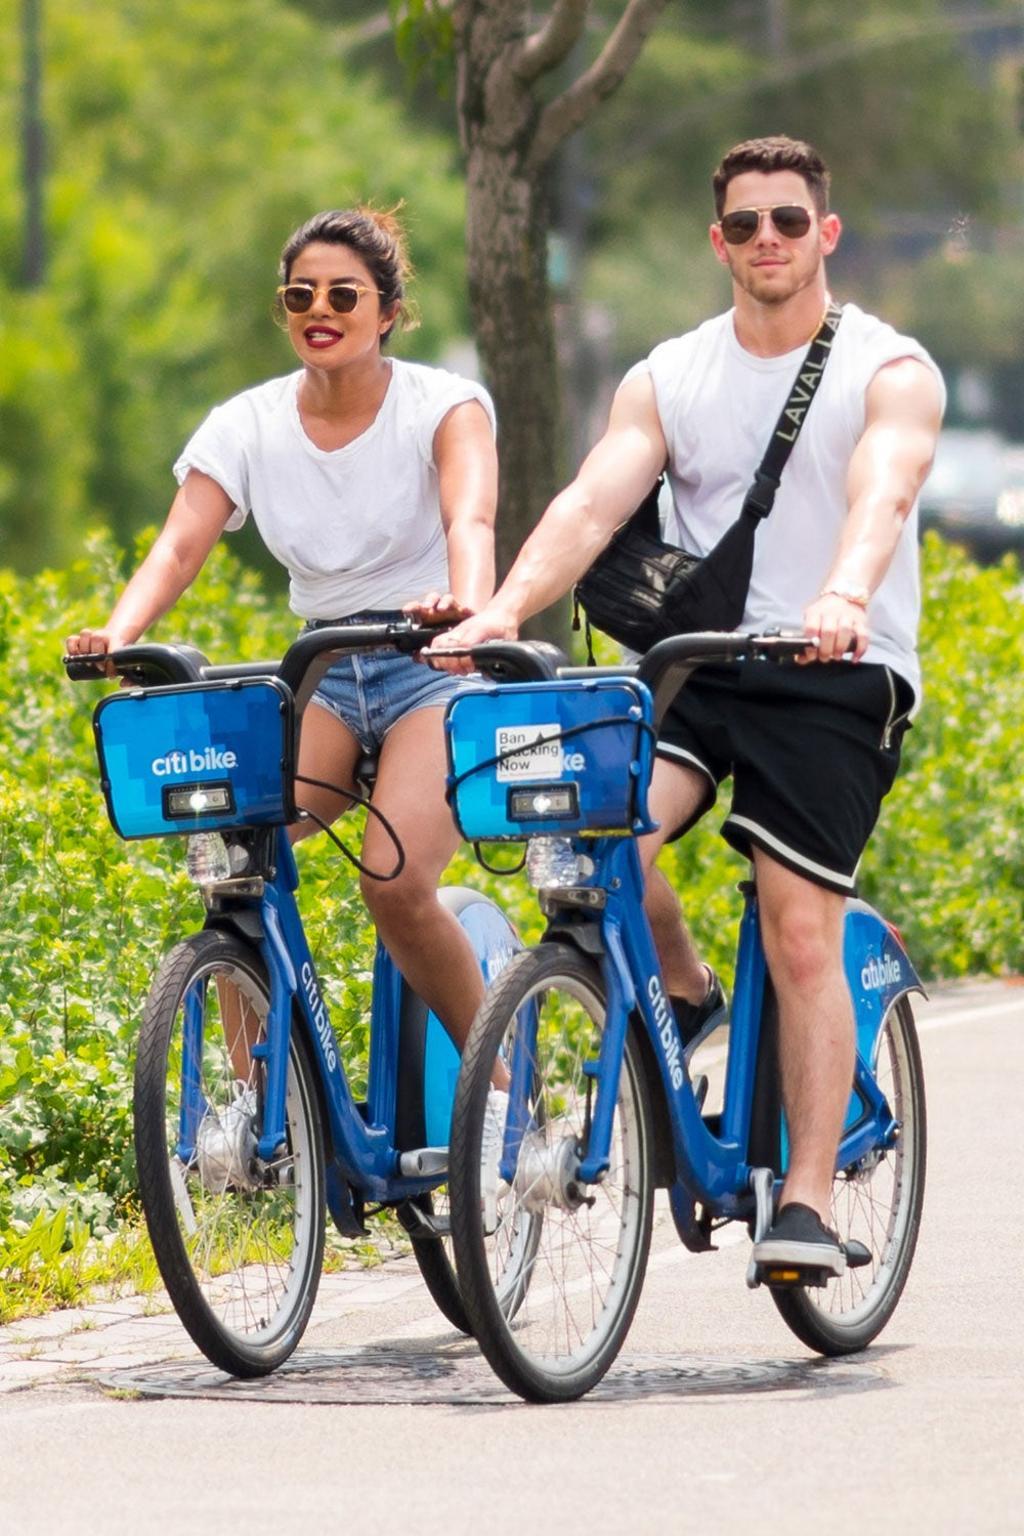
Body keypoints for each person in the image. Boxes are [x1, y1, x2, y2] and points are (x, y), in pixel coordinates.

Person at [430, 136, 944, 1278]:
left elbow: (886, 485)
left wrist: (843, 593)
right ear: (718, 242)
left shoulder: (887, 367)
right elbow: (590, 501)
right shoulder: (669, 375)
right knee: (592, 831)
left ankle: (803, 1199)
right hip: (698, 667)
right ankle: (683, 989)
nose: (770, 240)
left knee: (796, 922)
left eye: (790, 222)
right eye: (747, 224)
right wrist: (502, 611)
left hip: (831, 671)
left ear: (827, 233)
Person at [66, 205, 499, 1052]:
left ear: (388, 309)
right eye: (301, 295)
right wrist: (117, 633)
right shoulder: (248, 423)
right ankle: (259, 1121)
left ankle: (499, 1085)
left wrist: (468, 610)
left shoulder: (444, 405)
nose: (320, 311)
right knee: (237, 864)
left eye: (344, 294)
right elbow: (180, 544)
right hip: (325, 668)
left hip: (432, 666)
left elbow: (471, 519)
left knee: (398, 884)